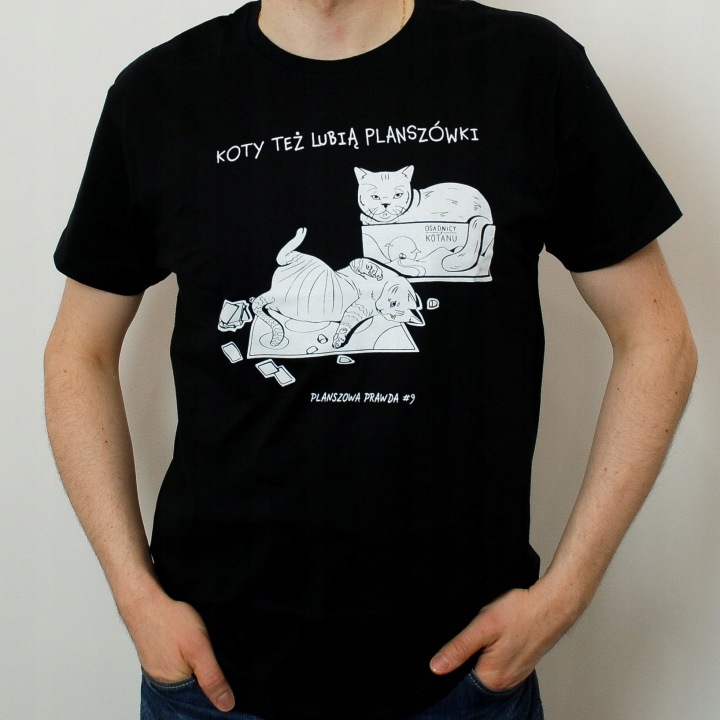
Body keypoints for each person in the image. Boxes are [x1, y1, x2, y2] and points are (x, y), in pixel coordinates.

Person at [44, 1, 697, 719]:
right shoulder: (160, 94)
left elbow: (657, 336)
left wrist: (566, 594)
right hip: (212, 675)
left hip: (463, 681)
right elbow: (79, 352)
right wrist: (134, 595)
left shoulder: (528, 70)